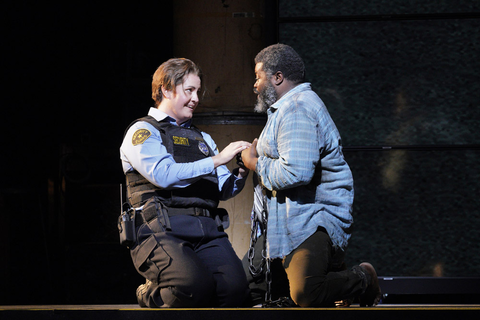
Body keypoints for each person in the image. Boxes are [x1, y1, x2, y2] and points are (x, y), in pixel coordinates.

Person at [240, 44, 382, 307]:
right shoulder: (284, 109)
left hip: (312, 219)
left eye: (259, 77)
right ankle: (338, 286)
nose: (255, 84)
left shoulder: (297, 108)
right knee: (254, 289)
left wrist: (255, 163)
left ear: (278, 77)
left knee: (306, 293)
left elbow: (295, 172)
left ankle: (363, 277)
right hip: (290, 220)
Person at [120, 58, 251, 308]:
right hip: (161, 228)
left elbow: (223, 188)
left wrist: (241, 171)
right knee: (191, 288)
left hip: (205, 228)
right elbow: (163, 175)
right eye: (189, 90)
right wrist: (217, 159)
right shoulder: (143, 132)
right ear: (166, 89)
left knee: (235, 293)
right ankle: (149, 293)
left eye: (197, 91)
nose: (196, 98)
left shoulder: (202, 138)